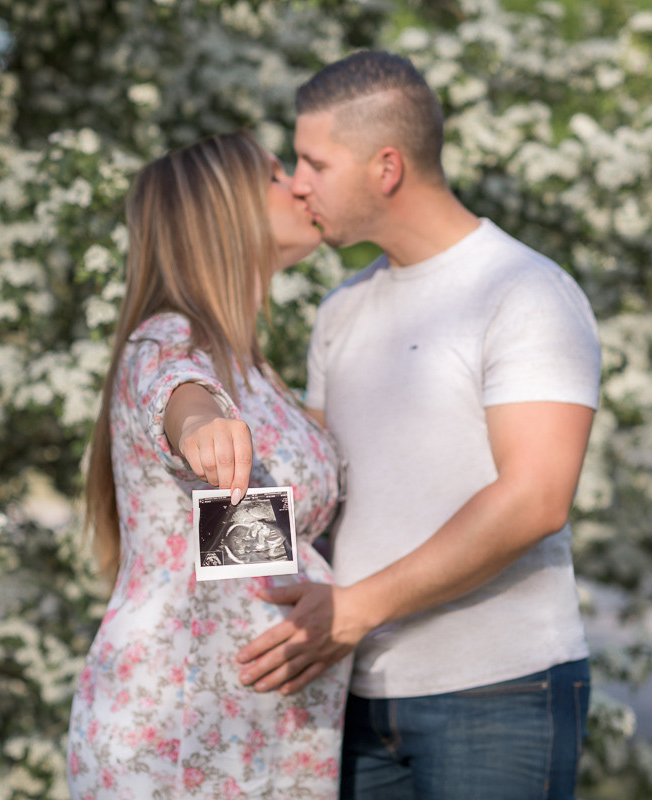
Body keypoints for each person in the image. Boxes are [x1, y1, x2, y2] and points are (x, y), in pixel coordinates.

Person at [234, 52, 602, 800]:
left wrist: (356, 609)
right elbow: (313, 495)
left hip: (499, 693)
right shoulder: (342, 309)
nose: (298, 183)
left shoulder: (523, 291)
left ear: (387, 167)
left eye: (314, 161)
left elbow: (535, 498)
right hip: (353, 697)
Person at [66, 132, 350, 799]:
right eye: (278, 176)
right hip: (178, 738)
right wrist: (200, 426)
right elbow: (176, 392)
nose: (301, 186)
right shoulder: (167, 342)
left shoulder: (254, 369)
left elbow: (247, 554)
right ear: (225, 212)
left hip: (255, 734)